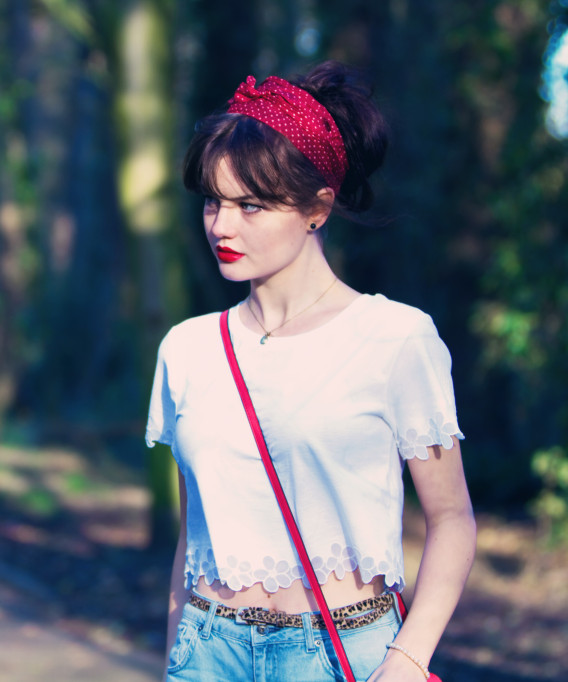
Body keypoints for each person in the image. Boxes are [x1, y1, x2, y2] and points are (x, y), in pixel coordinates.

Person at [145, 61, 476, 682]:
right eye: (213, 201)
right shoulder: (186, 349)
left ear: (317, 208)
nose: (221, 226)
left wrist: (408, 659)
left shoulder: (395, 339)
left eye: (250, 205)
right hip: (206, 649)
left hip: (338, 653)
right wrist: (175, 660)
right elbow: (193, 537)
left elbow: (452, 519)